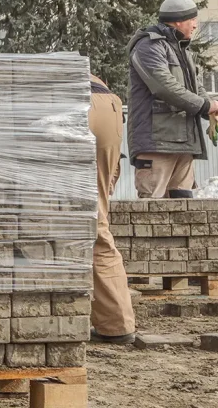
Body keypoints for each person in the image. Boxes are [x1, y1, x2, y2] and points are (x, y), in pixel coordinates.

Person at [127, 0, 218, 199]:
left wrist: (211, 107)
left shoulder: (181, 49)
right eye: (193, 20)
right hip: (156, 143)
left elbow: (195, 86)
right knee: (152, 211)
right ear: (179, 21)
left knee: (183, 209)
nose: (195, 26)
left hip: (183, 142)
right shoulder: (148, 46)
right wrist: (203, 106)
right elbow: (165, 87)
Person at [87, 76, 136, 344]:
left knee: (86, 222)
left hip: (74, 103)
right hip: (110, 105)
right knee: (97, 218)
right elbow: (111, 176)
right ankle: (117, 322)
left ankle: (117, 325)